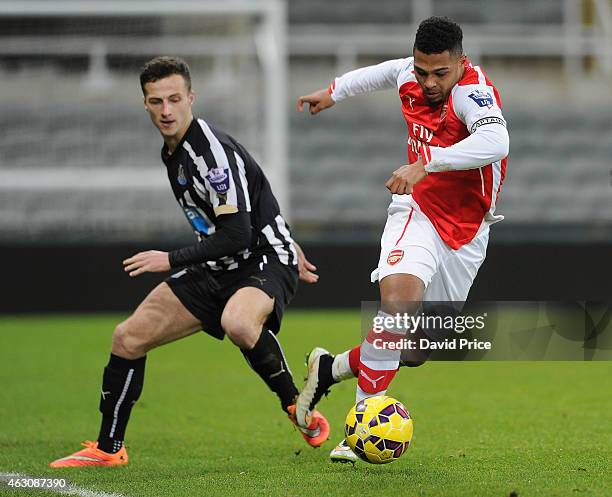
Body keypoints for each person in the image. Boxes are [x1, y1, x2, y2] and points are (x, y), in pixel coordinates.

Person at [49, 56, 328, 468]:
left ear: (191, 98)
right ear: (144, 103)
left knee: (238, 321)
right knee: (127, 338)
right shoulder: (173, 150)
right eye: (156, 101)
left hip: (261, 259)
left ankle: (295, 404)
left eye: (174, 99)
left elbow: (238, 232)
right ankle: (108, 450)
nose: (166, 110)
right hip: (218, 265)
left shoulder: (209, 154)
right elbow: (252, 194)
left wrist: (170, 258)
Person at [294, 16, 509, 463]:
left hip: (467, 231)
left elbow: (497, 140)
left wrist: (426, 162)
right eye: (422, 70)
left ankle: (330, 368)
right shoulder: (410, 72)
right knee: (397, 310)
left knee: (413, 350)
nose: (428, 82)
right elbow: (378, 73)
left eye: (440, 73)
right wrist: (331, 93)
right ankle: (358, 431)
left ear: (461, 64)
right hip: (417, 212)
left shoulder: (473, 93)